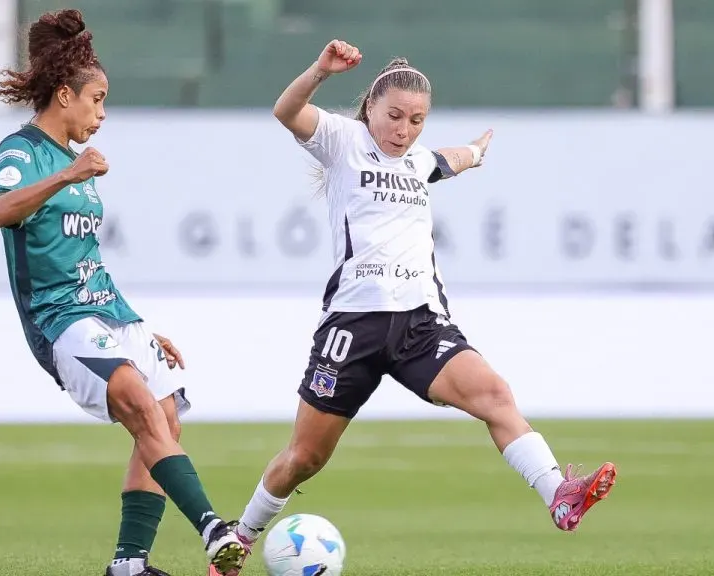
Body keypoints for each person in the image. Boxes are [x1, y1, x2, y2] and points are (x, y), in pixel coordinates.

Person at [213, 40, 618, 574]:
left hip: (421, 324)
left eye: (417, 120)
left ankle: (558, 495)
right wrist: (320, 71)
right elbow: (285, 111)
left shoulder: (419, 161)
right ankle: (238, 539)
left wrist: (475, 153)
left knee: (495, 394)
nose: (404, 130)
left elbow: (445, 161)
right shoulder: (343, 140)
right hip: (352, 327)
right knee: (304, 459)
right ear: (372, 111)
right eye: (395, 116)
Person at [0, 9, 246, 576]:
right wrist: (64, 176)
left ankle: (129, 564)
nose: (102, 114)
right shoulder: (22, 151)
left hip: (103, 311)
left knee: (167, 415)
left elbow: (89, 261)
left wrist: (140, 328)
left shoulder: (79, 166)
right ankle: (213, 529)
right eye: (96, 100)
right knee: (136, 403)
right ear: (63, 95)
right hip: (58, 319)